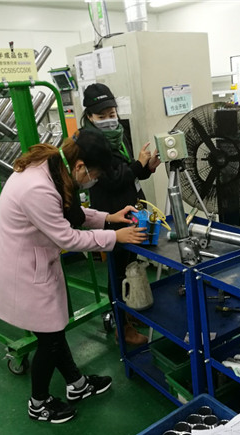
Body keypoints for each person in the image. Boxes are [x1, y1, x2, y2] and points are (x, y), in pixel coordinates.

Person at [0, 130, 147, 423]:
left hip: (34, 262)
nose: (94, 180)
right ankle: (38, 403)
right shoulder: (38, 188)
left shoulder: (53, 167)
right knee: (50, 340)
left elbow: (72, 213)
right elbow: (68, 237)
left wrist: (109, 217)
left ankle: (76, 384)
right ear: (81, 166)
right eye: (96, 174)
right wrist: (115, 236)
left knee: (54, 333)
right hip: (23, 271)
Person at [80, 82, 161, 346]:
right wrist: (138, 165)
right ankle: (121, 325)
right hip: (111, 214)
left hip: (131, 208)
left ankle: (129, 310)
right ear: (89, 116)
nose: (109, 119)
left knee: (131, 264)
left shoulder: (118, 133)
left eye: (112, 113)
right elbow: (112, 180)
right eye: (101, 115)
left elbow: (128, 173)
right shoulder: (90, 143)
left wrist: (147, 167)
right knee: (117, 271)